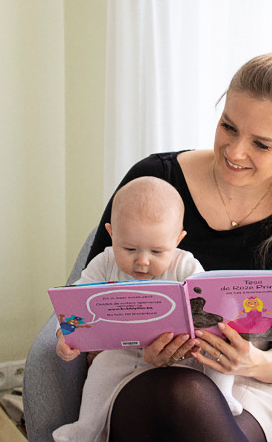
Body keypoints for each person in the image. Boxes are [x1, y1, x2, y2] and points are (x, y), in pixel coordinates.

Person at [86, 41, 272, 442]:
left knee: (188, 399)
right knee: (175, 391)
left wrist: (252, 361)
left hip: (250, 386)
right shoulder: (154, 183)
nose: (235, 151)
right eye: (228, 126)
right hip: (140, 370)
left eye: (262, 144)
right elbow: (90, 310)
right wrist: (143, 348)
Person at [53, 176, 243, 442]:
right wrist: (66, 337)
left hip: (183, 353)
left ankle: (223, 397)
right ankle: (85, 429)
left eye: (157, 251)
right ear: (111, 234)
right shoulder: (104, 262)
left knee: (216, 353)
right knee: (99, 370)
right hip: (122, 350)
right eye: (129, 248)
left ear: (178, 240)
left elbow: (210, 305)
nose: (142, 261)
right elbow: (76, 303)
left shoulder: (185, 265)